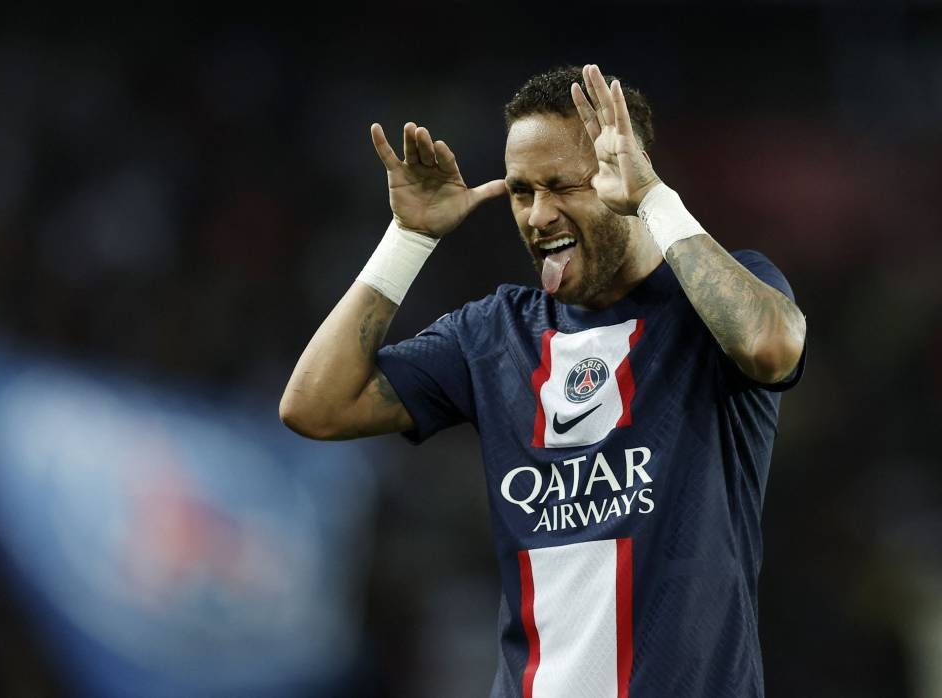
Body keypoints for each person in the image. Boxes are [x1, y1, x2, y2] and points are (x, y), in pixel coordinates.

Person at [280, 63, 806, 698]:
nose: (537, 215)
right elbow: (315, 405)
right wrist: (409, 238)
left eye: (563, 186)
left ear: (626, 179)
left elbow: (771, 347)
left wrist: (657, 199)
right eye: (523, 191)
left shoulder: (717, 301)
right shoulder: (493, 335)